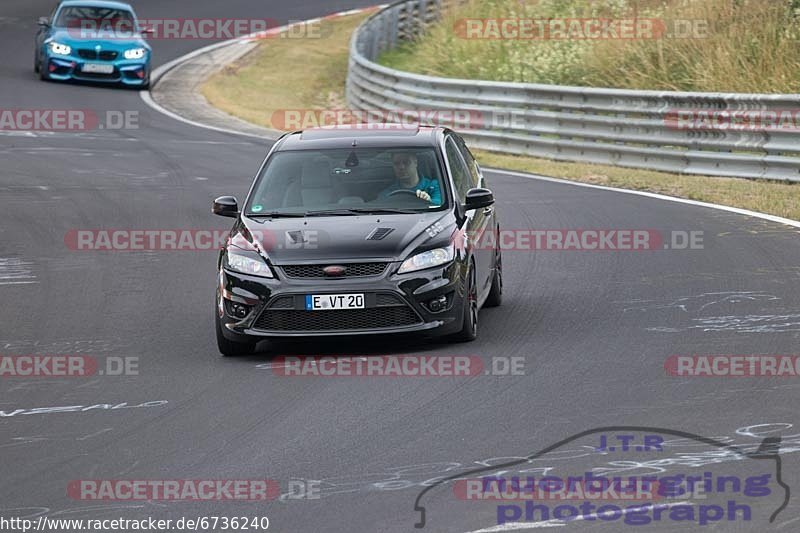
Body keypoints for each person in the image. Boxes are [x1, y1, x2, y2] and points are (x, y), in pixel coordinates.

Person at [378, 152, 442, 205]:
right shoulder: (387, 194)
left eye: (406, 162)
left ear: (415, 163)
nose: (401, 167)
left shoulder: (433, 186)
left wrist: (429, 201)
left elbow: (441, 205)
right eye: (396, 163)